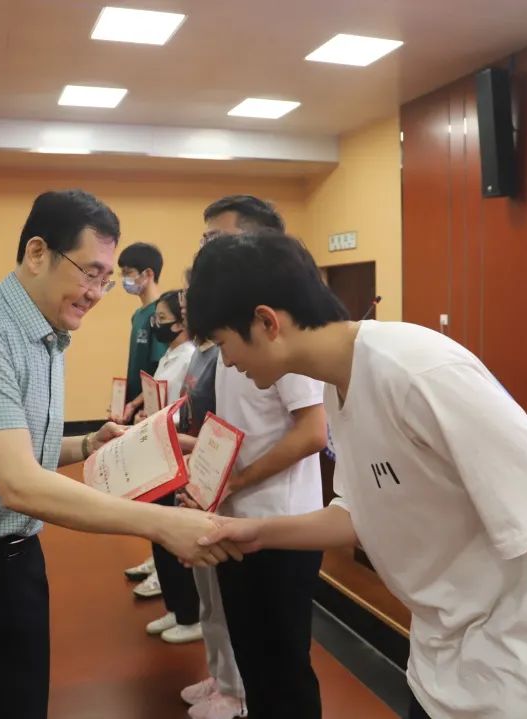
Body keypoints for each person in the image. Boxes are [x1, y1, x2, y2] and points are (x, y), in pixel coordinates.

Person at [190, 231, 527, 719]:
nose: (227, 361)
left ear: (266, 322)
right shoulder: (339, 385)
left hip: (525, 674)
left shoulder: (417, 370)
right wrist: (254, 532)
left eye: (224, 343)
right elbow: (361, 513)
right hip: (441, 665)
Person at [0, 189, 238, 719]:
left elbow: (15, 447)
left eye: (106, 279)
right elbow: (18, 483)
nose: (97, 292)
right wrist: (163, 524)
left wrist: (89, 444)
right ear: (37, 252)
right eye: (90, 273)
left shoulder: (48, 335)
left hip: (14, 559)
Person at [184, 195, 326, 719]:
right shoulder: (234, 325)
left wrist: (237, 480)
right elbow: (240, 428)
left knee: (283, 666)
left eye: (214, 239)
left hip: (281, 525)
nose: (204, 251)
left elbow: (312, 432)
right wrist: (199, 457)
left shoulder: (280, 331)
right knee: (253, 657)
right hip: (240, 518)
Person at [142, 290, 202, 644]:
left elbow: (183, 409)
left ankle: (188, 613)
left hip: (177, 449)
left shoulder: (192, 356)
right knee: (160, 535)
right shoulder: (170, 354)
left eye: (163, 318)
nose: (158, 325)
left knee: (172, 536)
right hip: (163, 446)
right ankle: (176, 607)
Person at [113, 241, 170, 596]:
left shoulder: (159, 315)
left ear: (148, 274)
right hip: (135, 411)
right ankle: (156, 558)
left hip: (153, 414)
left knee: (160, 493)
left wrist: (138, 405)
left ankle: (166, 570)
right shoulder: (138, 315)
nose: (124, 280)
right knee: (147, 491)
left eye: (128, 274)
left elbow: (159, 372)